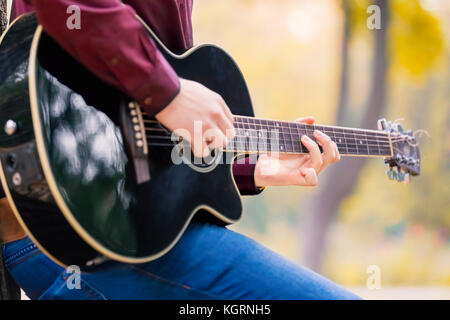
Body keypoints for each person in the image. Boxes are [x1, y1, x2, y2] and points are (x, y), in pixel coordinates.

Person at [0, 0, 359, 299]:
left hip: (122, 235)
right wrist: (167, 91)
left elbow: (144, 137)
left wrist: (250, 169)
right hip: (76, 239)